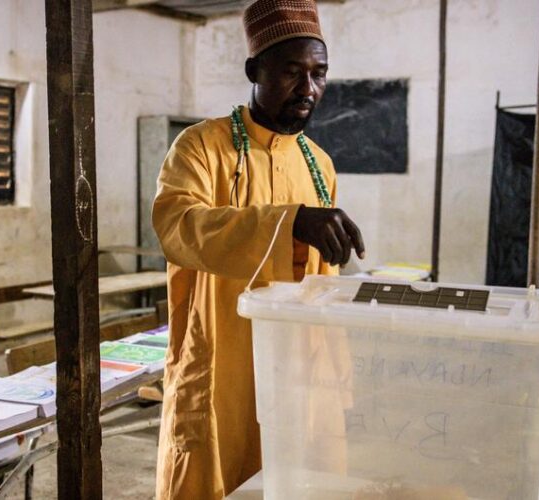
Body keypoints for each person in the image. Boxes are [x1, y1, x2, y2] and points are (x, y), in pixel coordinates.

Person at [152, 0, 365, 497]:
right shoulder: (200, 147)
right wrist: (288, 221)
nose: (308, 89)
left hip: (299, 362)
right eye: (292, 72)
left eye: (319, 74)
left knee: (296, 474)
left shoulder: (319, 164)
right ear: (255, 70)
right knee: (214, 472)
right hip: (224, 354)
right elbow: (177, 227)